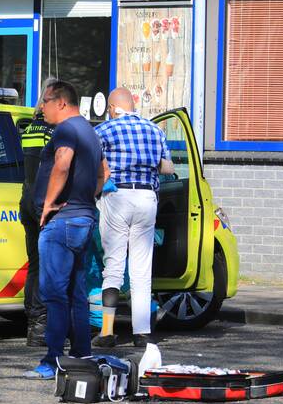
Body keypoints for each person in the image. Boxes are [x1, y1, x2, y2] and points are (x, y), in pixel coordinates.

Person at [25, 80, 105, 380]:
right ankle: (82, 354)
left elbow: (62, 163)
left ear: (61, 102)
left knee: (54, 293)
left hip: (62, 222)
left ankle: (53, 360)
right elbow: (104, 173)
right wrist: (85, 197)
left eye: (45, 102)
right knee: (76, 292)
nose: (41, 108)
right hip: (83, 218)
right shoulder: (90, 131)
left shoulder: (66, 130)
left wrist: (48, 204)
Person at [92, 87, 174, 348]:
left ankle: (107, 332)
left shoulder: (103, 130)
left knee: (114, 265)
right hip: (147, 198)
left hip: (117, 197)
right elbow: (168, 168)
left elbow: (93, 164)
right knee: (141, 269)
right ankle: (142, 333)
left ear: (112, 108)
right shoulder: (155, 130)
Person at [19, 78, 56, 347]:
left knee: (35, 264)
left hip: (27, 200)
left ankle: (33, 324)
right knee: (47, 266)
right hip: (44, 203)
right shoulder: (52, 131)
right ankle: (42, 326)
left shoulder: (30, 128)